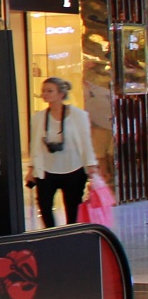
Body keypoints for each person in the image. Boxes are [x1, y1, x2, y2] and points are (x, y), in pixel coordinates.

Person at [29, 76, 99, 227]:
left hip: (73, 168)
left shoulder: (78, 115)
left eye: (50, 91)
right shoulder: (38, 118)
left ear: (61, 94)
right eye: (43, 91)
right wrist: (31, 169)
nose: (45, 94)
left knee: (73, 206)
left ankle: (70, 233)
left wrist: (91, 164)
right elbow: (35, 145)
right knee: (44, 204)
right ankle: (51, 232)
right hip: (47, 169)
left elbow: (85, 141)